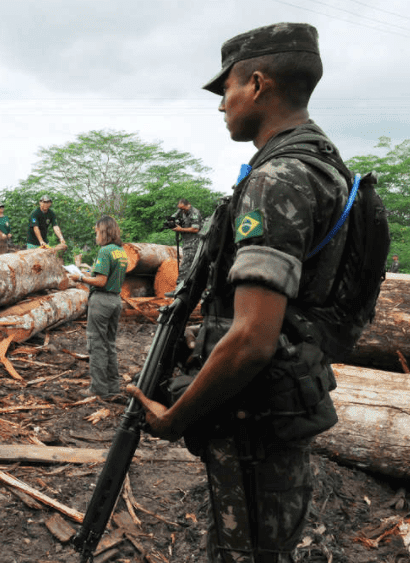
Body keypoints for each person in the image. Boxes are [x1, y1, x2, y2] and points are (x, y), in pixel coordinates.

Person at [126, 23, 351, 562]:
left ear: (256, 83)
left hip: (255, 426)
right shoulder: (324, 164)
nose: (221, 104)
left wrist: (175, 418)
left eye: (225, 89)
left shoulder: (278, 180)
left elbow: (252, 338)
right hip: (281, 409)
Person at [71, 216, 128, 400]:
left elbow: (101, 281)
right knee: (109, 344)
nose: (95, 236)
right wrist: (88, 273)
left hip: (101, 301)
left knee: (96, 345)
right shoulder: (120, 251)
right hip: (115, 301)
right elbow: (107, 276)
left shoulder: (105, 251)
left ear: (103, 231)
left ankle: (98, 389)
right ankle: (113, 387)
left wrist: (80, 278)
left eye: (96, 232)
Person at [170, 198, 203, 286]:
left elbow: (195, 229)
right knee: (189, 266)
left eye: (183, 208)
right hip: (187, 242)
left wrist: (181, 229)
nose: (181, 211)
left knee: (185, 266)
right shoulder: (184, 212)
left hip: (193, 243)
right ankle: (188, 288)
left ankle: (179, 287)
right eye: (180, 208)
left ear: (188, 205)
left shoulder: (194, 213)